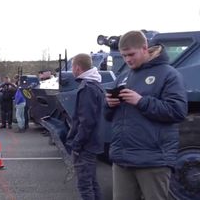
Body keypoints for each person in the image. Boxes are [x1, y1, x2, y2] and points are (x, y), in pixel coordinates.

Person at [105, 30, 187, 200]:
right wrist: (109, 105)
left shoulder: (169, 74)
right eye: (123, 55)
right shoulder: (124, 76)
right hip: (122, 159)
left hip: (153, 160)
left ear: (145, 48)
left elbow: (178, 111)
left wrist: (141, 101)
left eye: (131, 54)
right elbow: (108, 115)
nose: (127, 59)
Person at [65, 53, 105, 200]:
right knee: (92, 183)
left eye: (72, 67)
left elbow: (86, 121)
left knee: (85, 186)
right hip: (93, 142)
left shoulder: (87, 88)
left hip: (85, 145)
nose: (72, 70)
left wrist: (76, 143)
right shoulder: (95, 85)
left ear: (77, 67)